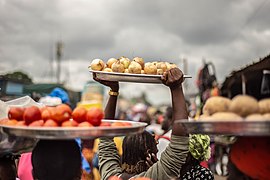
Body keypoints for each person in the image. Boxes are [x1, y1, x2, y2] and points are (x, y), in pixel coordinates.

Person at [95, 67, 189, 180]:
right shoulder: (155, 177)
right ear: (149, 154)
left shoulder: (110, 176)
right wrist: (176, 88)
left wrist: (114, 91)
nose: (158, 147)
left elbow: (105, 136)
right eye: (156, 146)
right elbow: (178, 146)